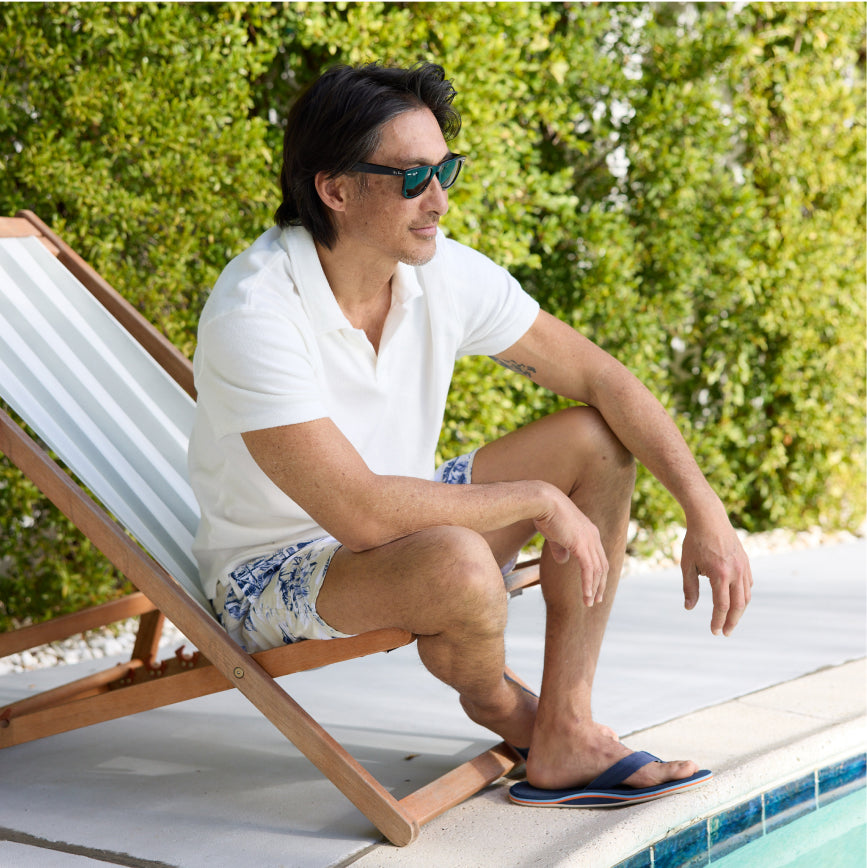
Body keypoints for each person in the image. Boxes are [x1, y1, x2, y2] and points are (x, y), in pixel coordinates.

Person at [187, 61, 753, 807]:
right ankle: (501, 705)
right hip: (274, 568)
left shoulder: (439, 273)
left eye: (445, 168)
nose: (440, 199)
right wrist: (539, 501)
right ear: (335, 190)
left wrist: (703, 509)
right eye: (413, 177)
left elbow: (601, 378)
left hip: (407, 515)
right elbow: (359, 514)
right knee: (458, 563)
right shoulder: (256, 311)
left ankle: (566, 729)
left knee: (594, 439)